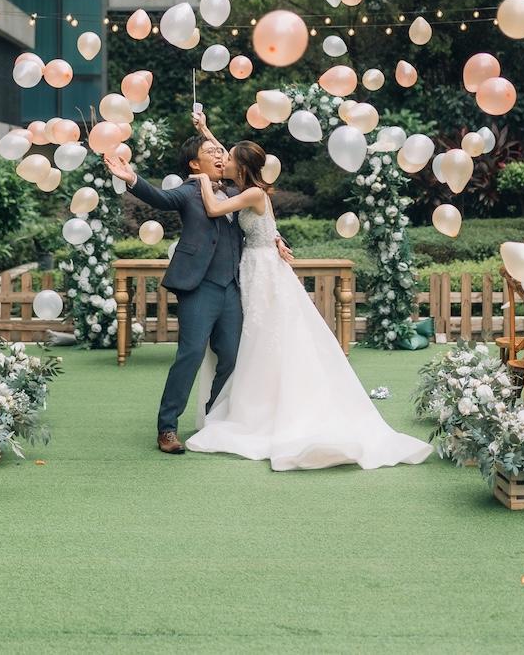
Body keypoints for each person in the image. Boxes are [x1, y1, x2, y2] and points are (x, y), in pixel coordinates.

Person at [179, 132, 431, 471]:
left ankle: (268, 408)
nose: (222, 159)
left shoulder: (252, 192)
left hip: (263, 269)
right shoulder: (252, 190)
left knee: (266, 334)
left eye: (229, 157)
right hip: (256, 265)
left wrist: (199, 180)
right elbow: (266, 225)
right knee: (258, 335)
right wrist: (206, 129)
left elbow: (213, 208)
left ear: (241, 166)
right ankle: (260, 400)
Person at [102, 127, 292, 455]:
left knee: (231, 356)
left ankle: (214, 418)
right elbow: (160, 198)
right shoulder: (188, 191)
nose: (219, 155)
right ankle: (167, 427)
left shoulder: (237, 189)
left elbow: (260, 220)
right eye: (211, 153)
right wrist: (131, 178)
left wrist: (276, 238)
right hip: (198, 285)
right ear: (194, 164)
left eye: (221, 153)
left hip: (233, 286)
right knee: (190, 354)